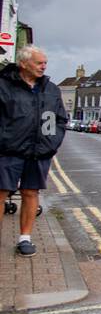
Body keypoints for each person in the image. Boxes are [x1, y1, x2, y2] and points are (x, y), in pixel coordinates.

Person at [0, 46, 67, 256]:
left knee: (30, 192)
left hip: (39, 151)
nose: (44, 66)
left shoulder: (51, 90)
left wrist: (51, 143)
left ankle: (25, 238)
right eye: (39, 63)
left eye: (45, 62)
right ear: (23, 63)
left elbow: (59, 120)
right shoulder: (4, 85)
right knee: (1, 193)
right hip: (8, 151)